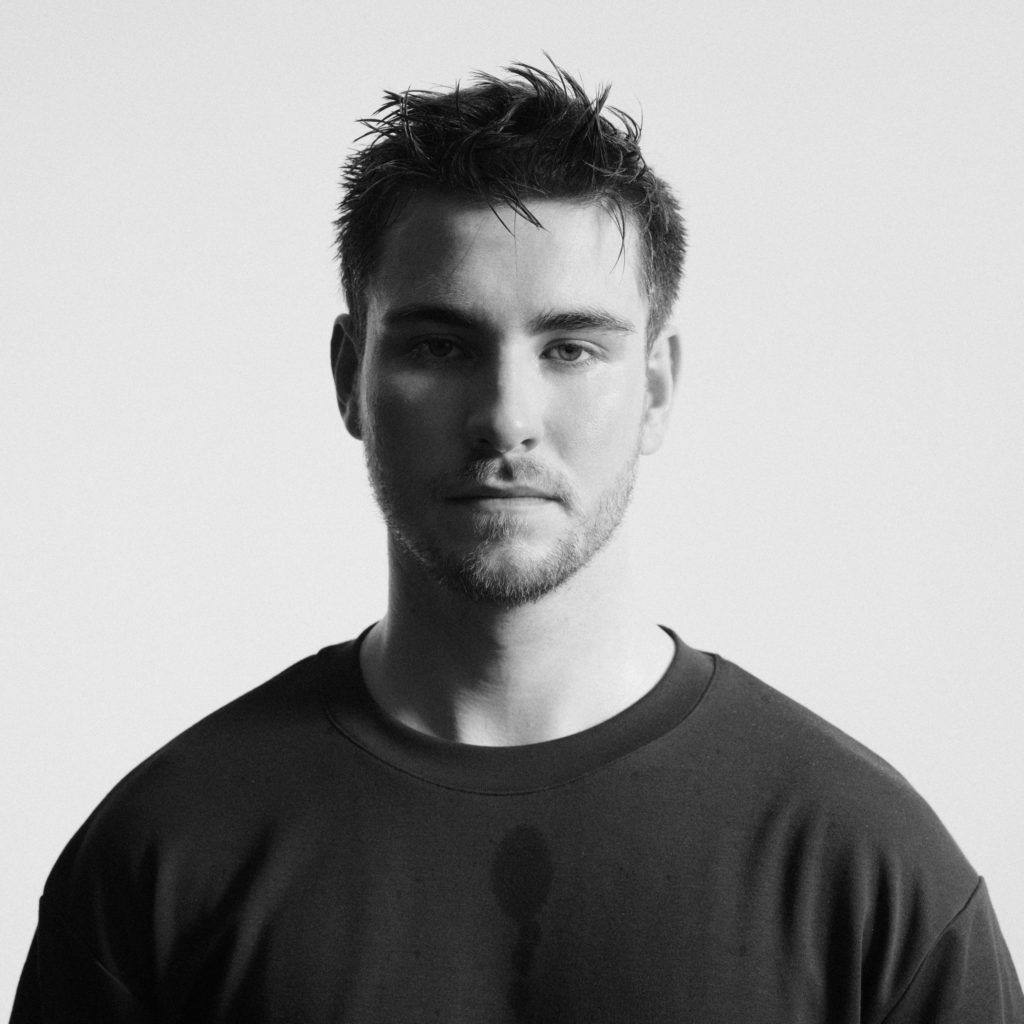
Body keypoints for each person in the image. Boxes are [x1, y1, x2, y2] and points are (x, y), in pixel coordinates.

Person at [11, 61, 1022, 1023]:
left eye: (571, 348)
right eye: (440, 346)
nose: (506, 417)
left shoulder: (866, 872)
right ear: (350, 377)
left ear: (656, 388)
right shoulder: (166, 855)